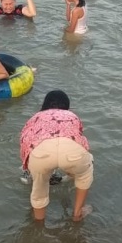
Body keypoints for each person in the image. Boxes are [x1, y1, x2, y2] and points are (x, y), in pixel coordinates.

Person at [19, 90, 93, 222]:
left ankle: (38, 225)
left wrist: (30, 170)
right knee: (84, 174)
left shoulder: (35, 117)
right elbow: (80, 139)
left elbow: (25, 143)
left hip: (41, 154)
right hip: (72, 152)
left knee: (39, 192)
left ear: (45, 104)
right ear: (67, 106)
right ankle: (77, 214)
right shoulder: (71, 115)